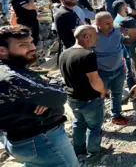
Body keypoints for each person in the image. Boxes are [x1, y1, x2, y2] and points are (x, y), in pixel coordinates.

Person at [0, 25, 79, 167]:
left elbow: (51, 88)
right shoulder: (13, 78)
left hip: (21, 139)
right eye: (23, 45)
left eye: (31, 42)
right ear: (2, 51)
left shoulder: (10, 70)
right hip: (41, 140)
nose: (32, 47)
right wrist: (49, 93)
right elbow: (60, 95)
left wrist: (46, 91)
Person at [59, 25, 106, 162]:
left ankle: (78, 150)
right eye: (95, 35)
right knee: (94, 127)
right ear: (86, 37)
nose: (97, 38)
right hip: (89, 99)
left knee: (78, 123)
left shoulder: (64, 53)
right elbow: (94, 79)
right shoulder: (88, 55)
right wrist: (102, 90)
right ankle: (93, 154)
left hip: (72, 98)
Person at [93, 12, 129, 125]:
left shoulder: (117, 29)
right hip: (101, 73)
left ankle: (116, 115)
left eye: (111, 22)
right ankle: (98, 121)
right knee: (99, 97)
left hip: (118, 69)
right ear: (98, 24)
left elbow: (123, 40)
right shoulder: (92, 34)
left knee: (117, 93)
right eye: (107, 24)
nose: (111, 25)